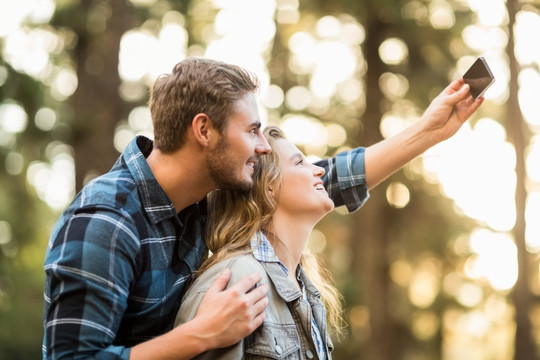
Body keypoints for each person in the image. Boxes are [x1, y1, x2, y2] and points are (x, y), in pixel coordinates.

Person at [42, 54, 483, 360]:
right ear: (204, 130)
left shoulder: (199, 201)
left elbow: (316, 181)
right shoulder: (106, 220)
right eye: (252, 131)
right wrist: (197, 336)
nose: (260, 146)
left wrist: (429, 131)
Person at [175, 126, 344, 359]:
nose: (319, 171)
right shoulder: (235, 280)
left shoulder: (306, 289)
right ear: (268, 187)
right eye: (299, 163)